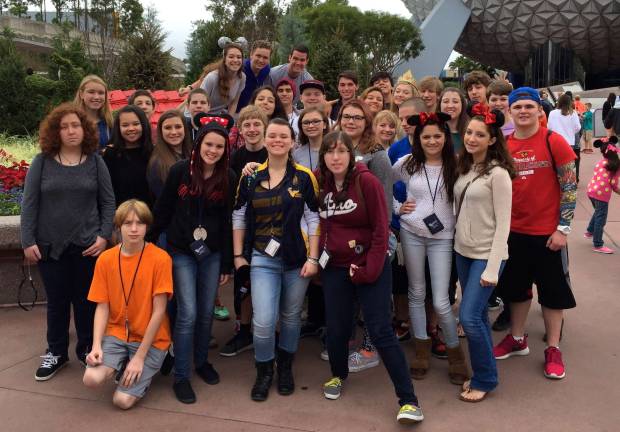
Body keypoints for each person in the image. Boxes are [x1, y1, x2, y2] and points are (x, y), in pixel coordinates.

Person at [317, 131, 424, 424]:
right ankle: (338, 375)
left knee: (380, 330)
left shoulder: (367, 182)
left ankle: (408, 399)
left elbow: (381, 230)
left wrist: (370, 269)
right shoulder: (322, 183)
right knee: (337, 328)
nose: (335, 157)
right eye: (329, 152)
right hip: (335, 267)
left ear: (351, 155)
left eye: (341, 151)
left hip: (370, 265)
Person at [21, 103, 115, 381]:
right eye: (64, 127)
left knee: (87, 301)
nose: (71, 131)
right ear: (55, 132)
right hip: (50, 246)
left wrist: (103, 235)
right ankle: (56, 352)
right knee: (57, 302)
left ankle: (87, 349)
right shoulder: (42, 162)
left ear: (84, 129)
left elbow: (108, 201)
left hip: (88, 245)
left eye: (75, 125)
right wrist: (27, 240)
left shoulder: (96, 161)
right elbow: (29, 204)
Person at [148, 114, 235, 403]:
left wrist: (225, 263)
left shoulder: (228, 178)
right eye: (209, 144)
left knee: (206, 311)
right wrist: (149, 241)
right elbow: (163, 209)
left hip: (211, 254)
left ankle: (201, 362)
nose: (213, 150)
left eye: (219, 147)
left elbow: (226, 221)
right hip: (181, 250)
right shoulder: (180, 171)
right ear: (198, 145)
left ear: (225, 150)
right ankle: (181, 375)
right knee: (187, 312)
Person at [232, 118, 320, 401]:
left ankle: (285, 366)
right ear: (266, 140)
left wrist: (314, 257)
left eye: (284, 136)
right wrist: (237, 256)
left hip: (297, 259)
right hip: (262, 258)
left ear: (293, 141)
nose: (278, 140)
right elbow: (238, 216)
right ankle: (264, 369)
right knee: (264, 320)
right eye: (273, 136)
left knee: (291, 316)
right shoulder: (250, 176)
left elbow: (314, 218)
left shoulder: (305, 177)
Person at [493, 87, 577, 380]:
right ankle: (517, 339)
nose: (524, 111)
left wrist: (562, 229)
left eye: (529, 106)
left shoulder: (555, 142)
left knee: (552, 294)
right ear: (510, 111)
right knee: (516, 291)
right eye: (518, 107)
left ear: (540, 111)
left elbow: (569, 187)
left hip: (548, 235)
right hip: (513, 233)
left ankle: (553, 348)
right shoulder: (502, 145)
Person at [392, 112, 470, 385]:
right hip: (411, 232)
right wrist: (397, 207)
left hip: (443, 237)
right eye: (427, 136)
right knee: (416, 292)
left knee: (440, 299)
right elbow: (383, 183)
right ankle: (421, 350)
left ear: (445, 137)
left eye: (437, 136)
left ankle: (455, 354)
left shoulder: (458, 164)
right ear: (418, 138)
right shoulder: (408, 163)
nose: (432, 141)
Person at [82, 200, 172, 409]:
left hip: (151, 340)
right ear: (118, 226)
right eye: (128, 223)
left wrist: (139, 357)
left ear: (147, 227)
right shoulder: (105, 259)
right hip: (117, 333)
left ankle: (151, 362)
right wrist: (96, 345)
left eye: (139, 223)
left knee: (121, 401)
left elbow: (159, 311)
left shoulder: (161, 259)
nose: (133, 229)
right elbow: (102, 306)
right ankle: (122, 363)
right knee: (91, 379)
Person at [454, 104, 514, 402]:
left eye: (480, 134)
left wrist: (492, 268)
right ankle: (483, 372)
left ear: (492, 139)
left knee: (468, 317)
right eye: (469, 132)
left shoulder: (498, 174)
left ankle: (485, 378)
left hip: (486, 256)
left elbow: (504, 224)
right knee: (476, 315)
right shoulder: (464, 168)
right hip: (462, 252)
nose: (472, 138)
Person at [335, 99, 393, 371]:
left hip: (372, 236)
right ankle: (346, 341)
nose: (351, 121)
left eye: (358, 118)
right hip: (345, 235)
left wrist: (382, 240)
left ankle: (371, 348)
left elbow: (385, 199)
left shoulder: (377, 154)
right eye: (347, 116)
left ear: (366, 122)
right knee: (349, 294)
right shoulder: (335, 147)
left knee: (371, 295)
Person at [219, 106, 270, 357]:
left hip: (269, 226)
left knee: (266, 280)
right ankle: (245, 328)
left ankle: (266, 328)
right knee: (243, 280)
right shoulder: (235, 157)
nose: (251, 129)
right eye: (246, 124)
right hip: (242, 226)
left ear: (264, 127)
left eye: (256, 124)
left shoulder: (273, 153)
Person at [388, 97, 427, 344]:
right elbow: (388, 185)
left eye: (409, 119)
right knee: (402, 277)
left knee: (432, 280)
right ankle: (402, 319)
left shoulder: (436, 143)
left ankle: (430, 325)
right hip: (404, 223)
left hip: (435, 226)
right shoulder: (396, 148)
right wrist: (397, 209)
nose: (404, 124)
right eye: (401, 118)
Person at [103, 105, 154, 208]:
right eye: (125, 125)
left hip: (149, 215)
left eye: (136, 124)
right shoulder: (110, 154)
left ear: (143, 125)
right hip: (120, 216)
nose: (131, 129)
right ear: (118, 128)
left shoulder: (153, 152)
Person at [147, 110, 193, 201]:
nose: (174, 132)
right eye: (168, 128)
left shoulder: (193, 154)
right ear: (160, 131)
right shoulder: (157, 164)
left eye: (178, 127)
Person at [585, 136, 620, 254]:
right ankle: (598, 244)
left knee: (598, 212)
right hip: (602, 195)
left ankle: (590, 231)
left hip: (591, 191)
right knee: (601, 218)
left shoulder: (601, 162)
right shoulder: (615, 166)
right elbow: (614, 184)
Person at [229, 86, 287, 151]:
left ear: (275, 107)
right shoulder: (237, 128)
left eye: (270, 101)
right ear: (253, 102)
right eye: (261, 99)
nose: (265, 102)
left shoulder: (282, 129)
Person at [200, 41, 246, 115]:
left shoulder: (242, 77)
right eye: (231, 57)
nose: (235, 60)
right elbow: (199, 104)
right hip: (198, 116)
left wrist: (229, 122)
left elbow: (234, 103)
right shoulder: (212, 78)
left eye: (239, 57)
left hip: (219, 115)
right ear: (224, 60)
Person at [73, 75, 113, 149]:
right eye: (91, 92)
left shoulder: (109, 124)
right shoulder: (72, 124)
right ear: (81, 94)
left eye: (101, 93)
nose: (96, 97)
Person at [548, 94, 581, 181]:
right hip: (569, 142)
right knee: (568, 166)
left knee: (554, 164)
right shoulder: (573, 113)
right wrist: (570, 132)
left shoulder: (552, 113)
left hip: (555, 142)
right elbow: (578, 127)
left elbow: (549, 127)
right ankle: (568, 183)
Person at [236, 40, 272, 113]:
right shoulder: (240, 68)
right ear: (251, 55)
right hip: (233, 110)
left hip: (252, 111)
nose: (261, 60)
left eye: (265, 58)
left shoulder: (266, 69)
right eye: (258, 56)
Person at [294, 106, 329, 171]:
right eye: (306, 123)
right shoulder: (297, 154)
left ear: (324, 124)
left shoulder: (335, 150)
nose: (311, 126)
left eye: (315, 121)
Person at [440, 87, 469, 153]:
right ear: (440, 105)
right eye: (446, 101)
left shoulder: (470, 131)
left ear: (462, 105)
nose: (450, 106)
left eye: (455, 102)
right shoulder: (433, 130)